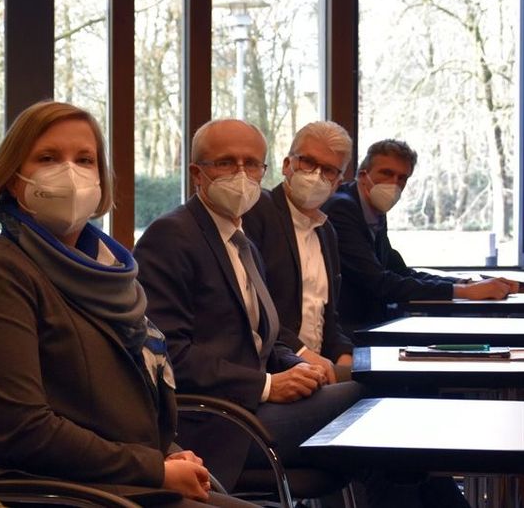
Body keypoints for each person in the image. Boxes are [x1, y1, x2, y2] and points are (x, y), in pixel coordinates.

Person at [0, 101, 254, 508]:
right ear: (11, 178)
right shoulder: (0, 277)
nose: (70, 173)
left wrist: (166, 452)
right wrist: (154, 468)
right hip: (72, 491)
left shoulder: (105, 271)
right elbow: (23, 433)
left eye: (85, 159)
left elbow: (117, 398)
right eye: (48, 158)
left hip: (127, 475)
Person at [134, 119, 361, 492]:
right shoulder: (171, 236)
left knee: (367, 431)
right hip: (217, 423)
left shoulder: (241, 242)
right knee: (365, 396)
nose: (241, 174)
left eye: (252, 164)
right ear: (196, 173)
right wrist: (268, 385)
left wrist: (298, 366)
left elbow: (262, 339)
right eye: (226, 163)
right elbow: (169, 354)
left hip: (251, 408)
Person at [321, 139, 518, 330]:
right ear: (363, 175)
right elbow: (379, 282)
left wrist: (465, 283)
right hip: (347, 331)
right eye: (386, 173)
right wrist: (464, 292)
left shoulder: (375, 211)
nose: (394, 183)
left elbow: (400, 271)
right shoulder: (343, 208)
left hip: (371, 321)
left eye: (402, 178)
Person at [242, 121, 355, 382]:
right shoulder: (257, 211)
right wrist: (301, 353)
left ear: (338, 182)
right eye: (307, 162)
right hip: (274, 372)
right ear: (286, 165)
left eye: (328, 170)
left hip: (319, 372)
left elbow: (327, 317)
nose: (315, 175)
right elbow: (251, 307)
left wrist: (344, 356)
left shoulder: (326, 231)